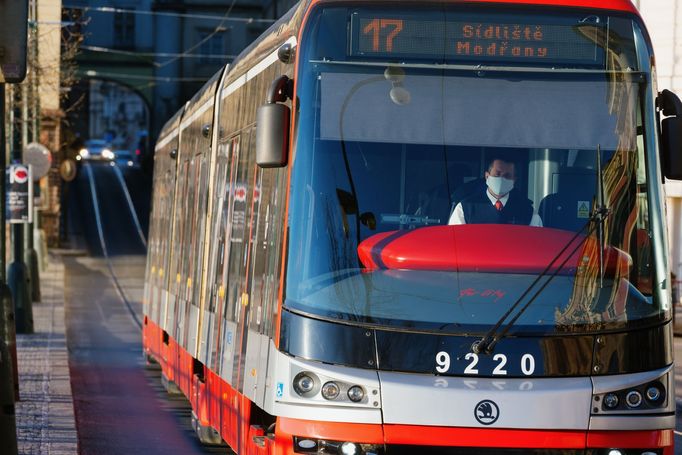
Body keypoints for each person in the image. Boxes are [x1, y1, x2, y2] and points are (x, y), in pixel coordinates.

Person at [448, 156, 542, 226]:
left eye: (507, 176)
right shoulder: (465, 208)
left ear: (514, 180)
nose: (501, 179)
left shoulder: (528, 211)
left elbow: (536, 243)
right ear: (487, 176)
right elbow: (455, 242)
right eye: (497, 174)